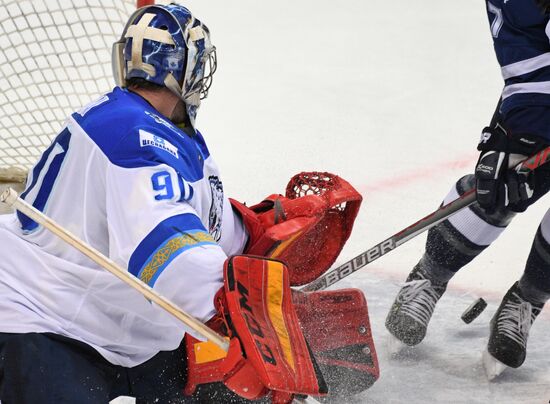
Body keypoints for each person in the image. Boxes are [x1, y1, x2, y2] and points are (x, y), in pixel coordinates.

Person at [385, 0, 550, 377]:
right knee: (504, 181)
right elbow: (522, 41)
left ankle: (528, 299)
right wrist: (530, 127)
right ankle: (430, 276)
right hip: (543, 92)